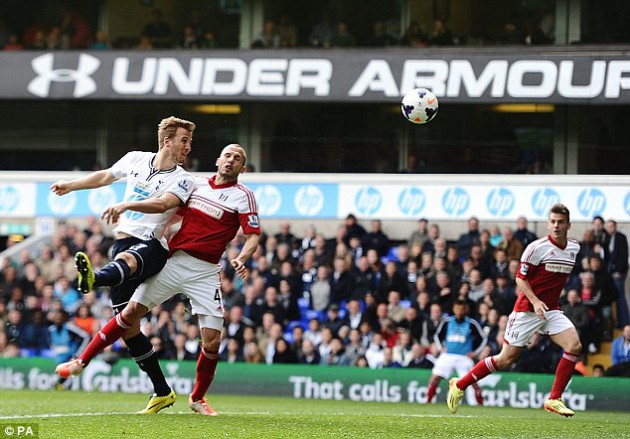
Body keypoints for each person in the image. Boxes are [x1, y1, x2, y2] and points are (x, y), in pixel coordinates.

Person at [56, 144, 261, 417]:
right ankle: (81, 362)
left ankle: (197, 398)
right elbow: (168, 208)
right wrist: (146, 222)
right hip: (175, 262)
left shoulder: (244, 196)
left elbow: (253, 235)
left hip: (206, 272)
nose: (231, 160)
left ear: (242, 168)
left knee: (212, 342)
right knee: (130, 314)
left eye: (237, 158)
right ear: (218, 159)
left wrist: (243, 257)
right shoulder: (195, 186)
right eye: (227, 155)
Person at [50, 116, 197, 413]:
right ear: (167, 141)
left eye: (189, 142)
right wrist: (70, 185)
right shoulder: (136, 159)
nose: (188, 147)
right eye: (184, 140)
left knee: (127, 262)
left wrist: (126, 205)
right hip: (122, 241)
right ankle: (162, 391)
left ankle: (94, 280)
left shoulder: (183, 179)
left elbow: (162, 205)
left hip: (152, 246)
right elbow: (105, 176)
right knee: (128, 327)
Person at [447, 203, 581, 417]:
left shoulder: (574, 248)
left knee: (574, 345)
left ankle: (554, 399)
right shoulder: (536, 248)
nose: (556, 226)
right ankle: (459, 385)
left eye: (561, 222)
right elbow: (520, 278)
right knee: (505, 359)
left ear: (568, 225)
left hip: (550, 311)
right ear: (548, 223)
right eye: (553, 221)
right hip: (527, 310)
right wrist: (536, 301)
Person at [426, 300, 486, 405]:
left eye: (462, 309)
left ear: (466, 310)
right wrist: (441, 348)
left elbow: (483, 338)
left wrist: (475, 352)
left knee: (474, 381)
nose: (459, 311)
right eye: (457, 308)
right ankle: (428, 401)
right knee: (435, 377)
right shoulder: (447, 321)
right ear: (454, 309)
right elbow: (437, 336)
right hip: (448, 355)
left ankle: (481, 403)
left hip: (464, 357)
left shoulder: (472, 323)